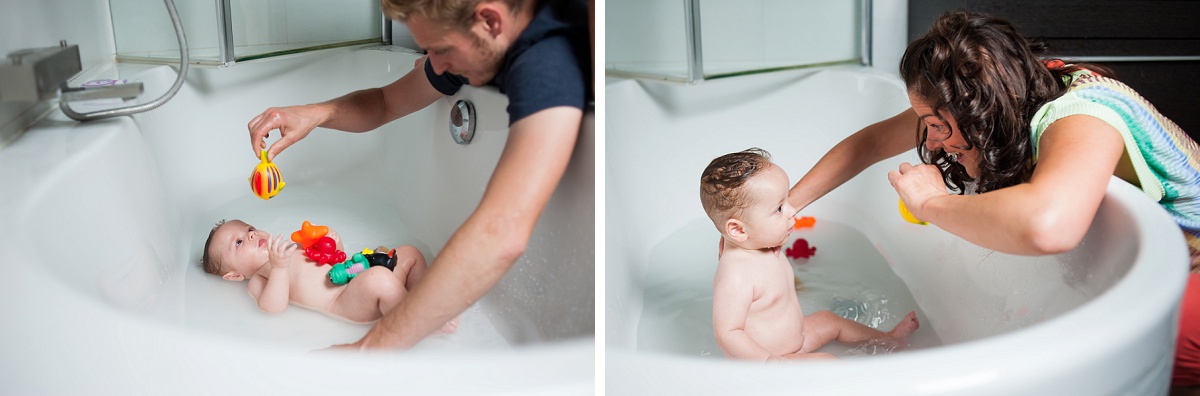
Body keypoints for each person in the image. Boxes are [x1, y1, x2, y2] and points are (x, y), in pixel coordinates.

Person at [787, 11, 1200, 388]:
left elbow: (1048, 226)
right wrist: (787, 206)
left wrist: (930, 204)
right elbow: (874, 141)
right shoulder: (1013, 88)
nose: (929, 141)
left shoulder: (1083, 117)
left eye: (937, 125)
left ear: (983, 112)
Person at [244, 0, 590, 350]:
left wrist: (368, 349)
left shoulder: (546, 62)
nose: (430, 65)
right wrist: (313, 115)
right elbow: (384, 102)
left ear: (490, 20)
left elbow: (503, 232)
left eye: (440, 49)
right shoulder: (480, 41)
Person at [702, 148, 920, 361]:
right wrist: (771, 363)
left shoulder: (756, 241)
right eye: (779, 209)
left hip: (799, 336)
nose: (792, 211)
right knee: (827, 362)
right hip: (776, 358)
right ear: (739, 230)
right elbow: (727, 333)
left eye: (786, 200)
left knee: (830, 320)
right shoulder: (736, 275)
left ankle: (888, 339)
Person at [201, 220, 456, 332]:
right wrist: (279, 268)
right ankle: (422, 318)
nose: (252, 236)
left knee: (409, 254)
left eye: (249, 229)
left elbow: (335, 261)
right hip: (346, 300)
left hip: (357, 272)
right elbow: (273, 307)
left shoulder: (293, 247)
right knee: (380, 280)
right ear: (234, 276)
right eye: (239, 242)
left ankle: (424, 297)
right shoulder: (259, 280)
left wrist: (333, 241)